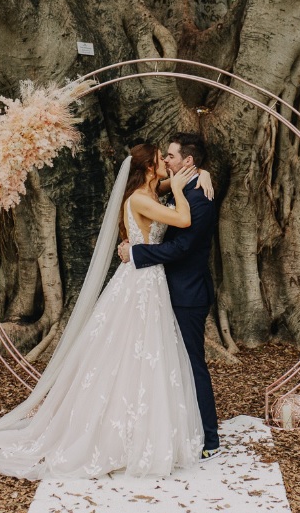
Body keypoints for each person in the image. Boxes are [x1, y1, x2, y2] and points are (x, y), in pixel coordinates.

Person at [0, 144, 210, 479]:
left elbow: (175, 185)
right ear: (149, 167)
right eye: (162, 160)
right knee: (131, 351)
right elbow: (184, 218)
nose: (167, 165)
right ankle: (120, 434)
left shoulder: (147, 190)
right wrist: (176, 188)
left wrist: (202, 173)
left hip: (149, 281)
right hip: (141, 284)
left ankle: (145, 427)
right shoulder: (141, 198)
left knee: (146, 353)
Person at [119, 132, 220, 458]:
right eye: (162, 158)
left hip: (187, 293)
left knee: (192, 364)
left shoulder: (201, 197)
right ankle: (159, 428)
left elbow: (182, 246)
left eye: (171, 157)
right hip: (158, 290)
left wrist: (136, 255)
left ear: (187, 162)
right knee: (153, 361)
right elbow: (156, 191)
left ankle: (209, 439)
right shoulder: (166, 187)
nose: (166, 161)